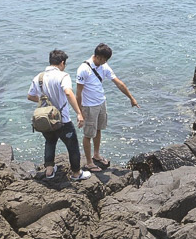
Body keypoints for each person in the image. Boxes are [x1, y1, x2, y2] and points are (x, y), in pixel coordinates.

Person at [27, 49, 90, 181]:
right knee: (72, 146)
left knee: (50, 142)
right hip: (62, 120)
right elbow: (68, 93)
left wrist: (44, 102)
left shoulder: (38, 77)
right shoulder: (63, 76)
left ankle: (49, 171)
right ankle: (76, 174)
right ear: (62, 63)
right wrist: (79, 113)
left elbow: (30, 96)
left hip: (45, 120)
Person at [75, 43, 139, 172]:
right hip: (89, 106)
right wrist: (79, 112)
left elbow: (118, 83)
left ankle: (96, 155)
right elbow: (78, 93)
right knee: (88, 134)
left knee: (99, 129)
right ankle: (88, 163)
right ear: (98, 57)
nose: (106, 62)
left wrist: (131, 98)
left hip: (101, 103)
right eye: (104, 59)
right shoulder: (83, 69)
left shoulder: (104, 66)